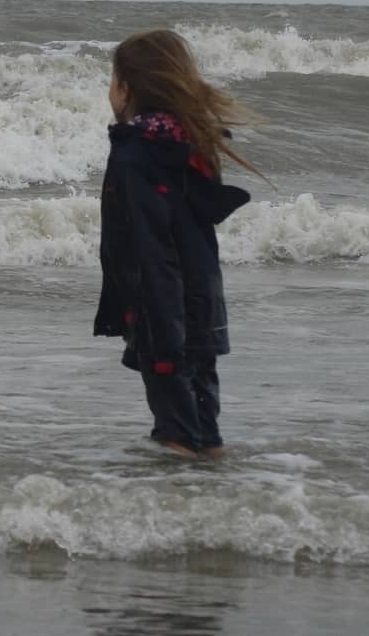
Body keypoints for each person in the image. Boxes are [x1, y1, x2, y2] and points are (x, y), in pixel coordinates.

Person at [95, 29, 259, 458]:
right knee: (206, 432)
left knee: (176, 436)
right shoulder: (192, 144)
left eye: (112, 81)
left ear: (127, 89)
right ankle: (213, 502)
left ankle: (175, 513)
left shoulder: (136, 154)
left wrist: (159, 321)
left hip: (161, 305)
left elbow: (148, 242)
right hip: (202, 302)